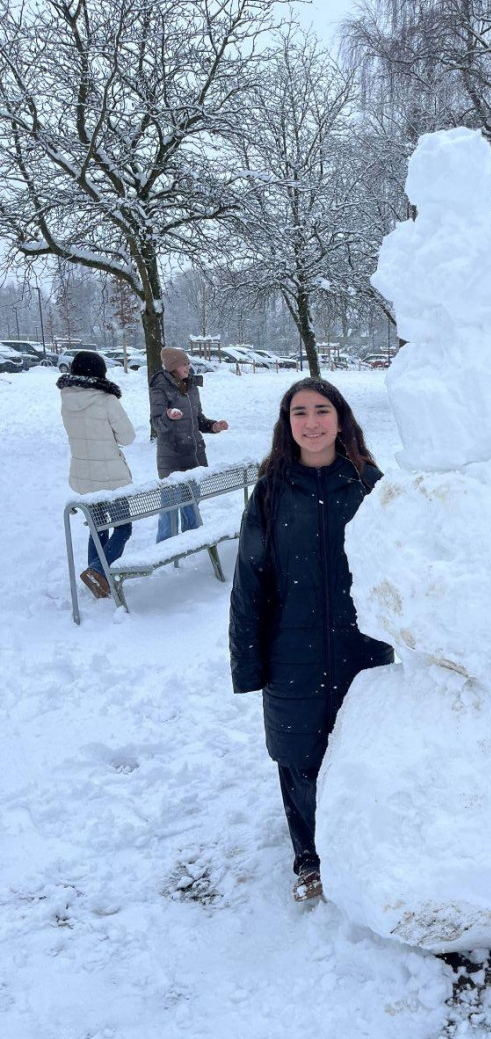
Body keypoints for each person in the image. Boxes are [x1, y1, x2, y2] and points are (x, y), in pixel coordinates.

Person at [229, 379, 394, 902]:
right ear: (287, 423)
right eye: (299, 412)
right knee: (298, 753)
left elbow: (403, 566)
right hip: (290, 649)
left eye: (322, 410)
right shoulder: (271, 490)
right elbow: (249, 580)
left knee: (359, 748)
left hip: (362, 647)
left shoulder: (370, 485)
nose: (312, 422)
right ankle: (311, 857)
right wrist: (248, 661)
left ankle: (361, 845)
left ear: (340, 419)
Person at [58, 350, 135, 600]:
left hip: (83, 476)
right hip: (112, 477)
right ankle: (98, 571)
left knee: (97, 528)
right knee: (123, 528)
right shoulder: (107, 400)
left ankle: (97, 581)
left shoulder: (66, 399)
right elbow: (127, 437)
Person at [149, 346, 228, 541]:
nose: (188, 367)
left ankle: (192, 546)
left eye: (188, 363)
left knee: (192, 506)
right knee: (170, 509)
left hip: (194, 455)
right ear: (173, 367)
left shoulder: (192, 387)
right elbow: (157, 424)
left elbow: (198, 420)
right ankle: (165, 549)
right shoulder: (160, 387)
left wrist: (214, 426)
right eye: (184, 364)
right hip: (172, 456)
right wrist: (168, 416)